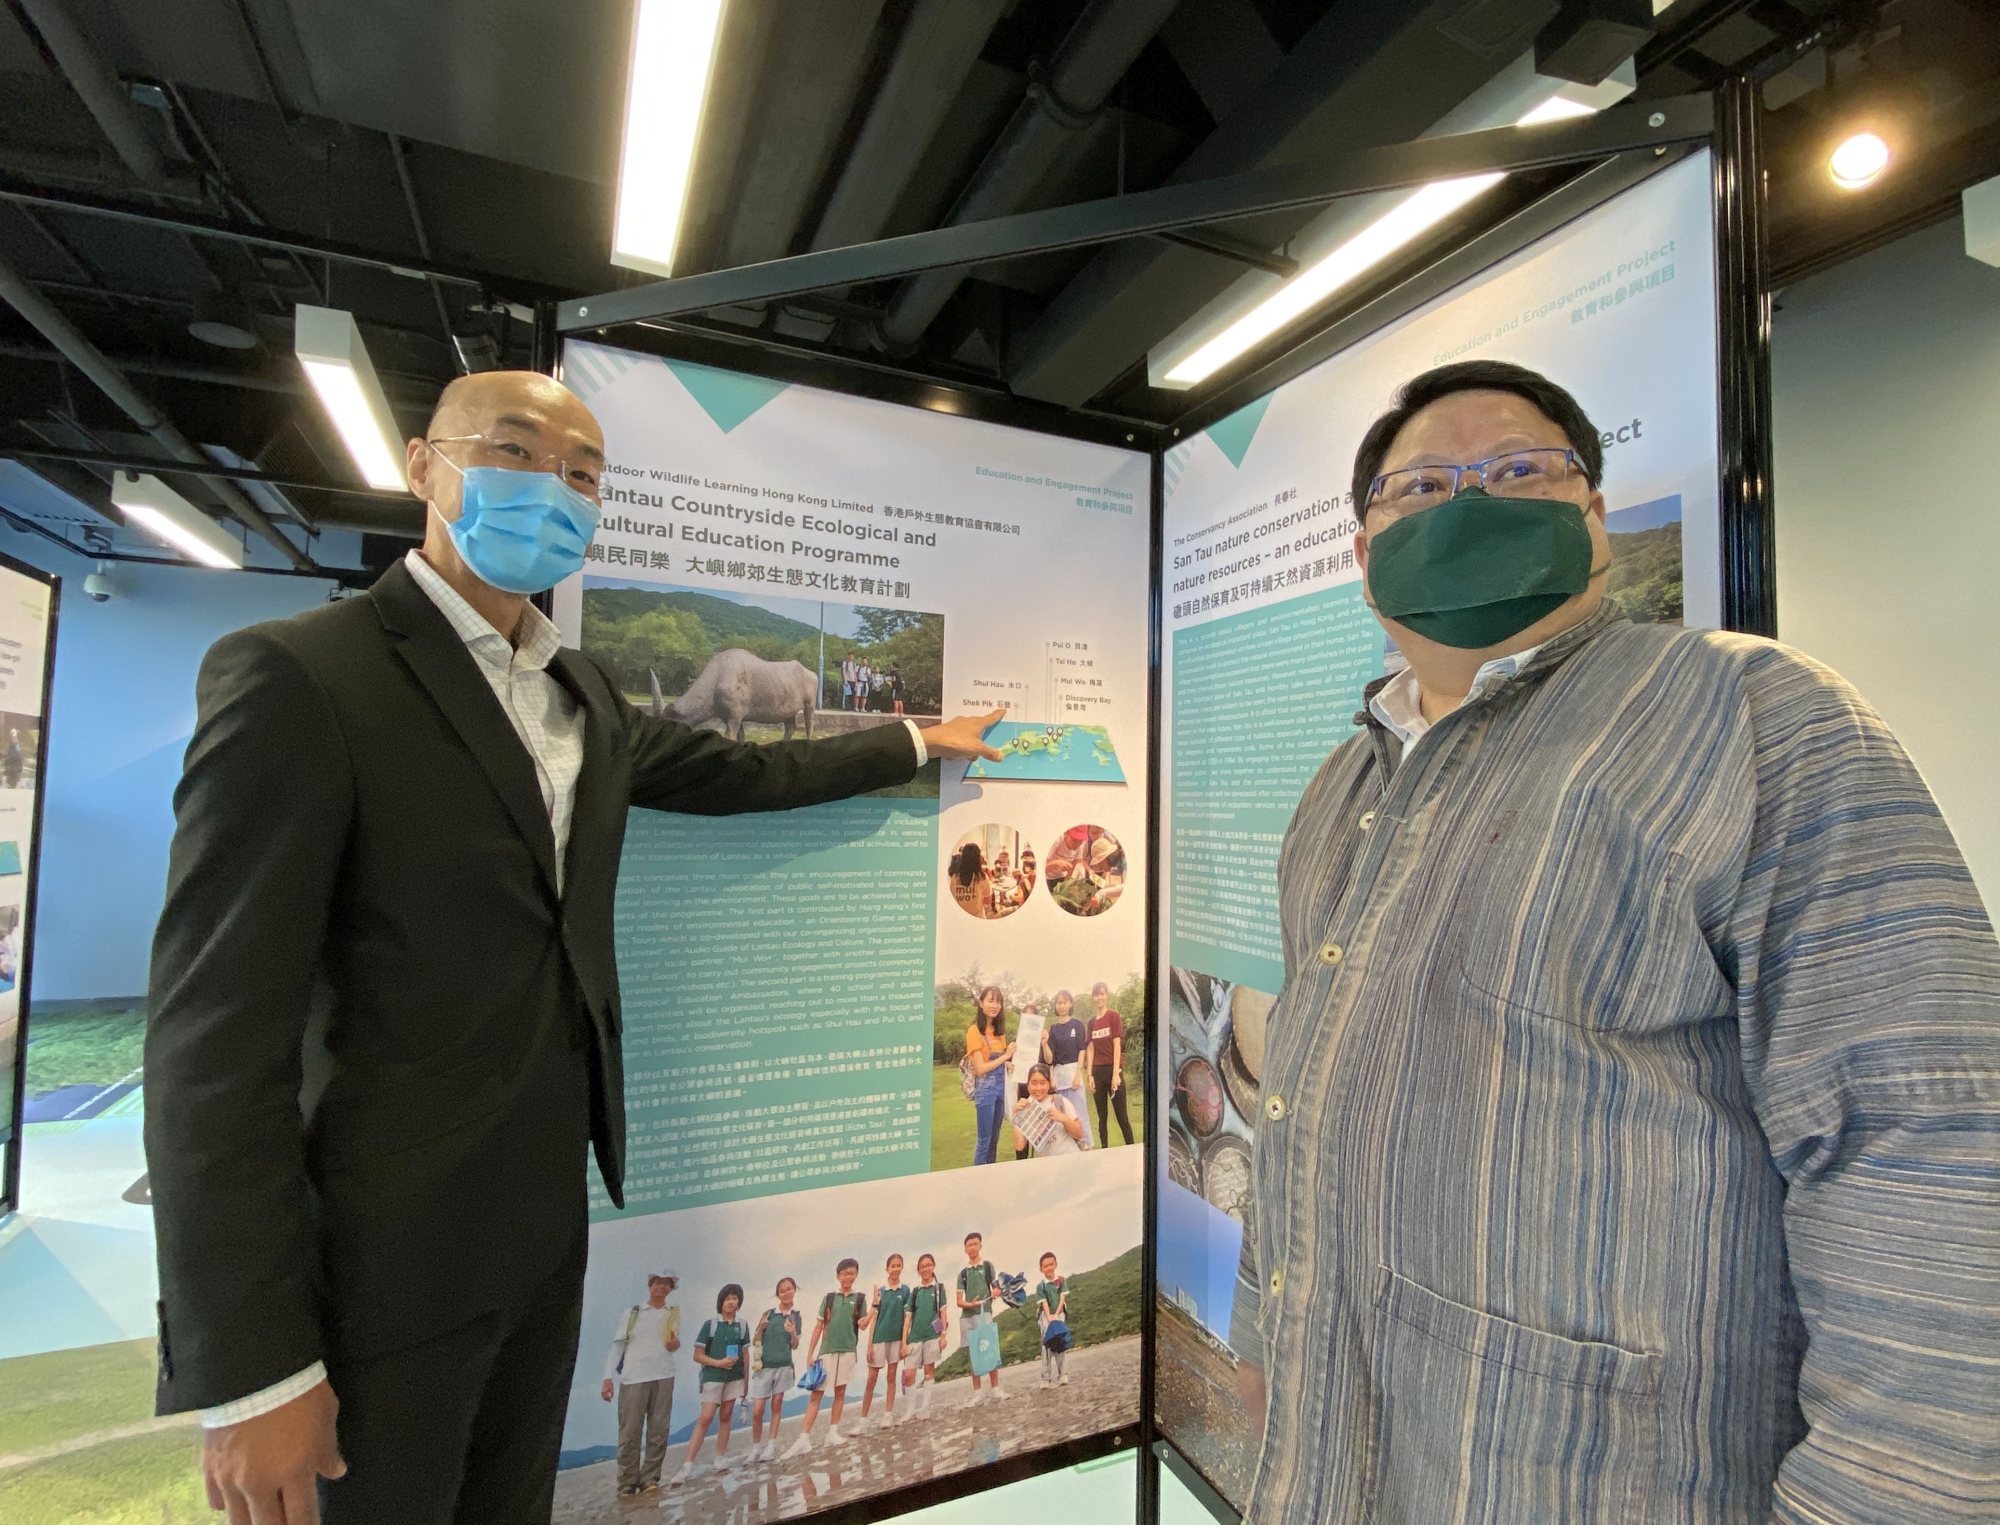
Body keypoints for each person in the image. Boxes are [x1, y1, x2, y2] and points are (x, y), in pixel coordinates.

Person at [143, 368, 1006, 1525]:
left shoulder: (580, 692)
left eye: (582, 474)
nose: (551, 488)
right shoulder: (302, 675)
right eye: (513, 452)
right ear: (425, 467)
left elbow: (742, 770)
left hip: (545, 1230)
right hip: (377, 1257)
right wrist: (253, 1368)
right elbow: (211, 1040)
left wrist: (916, 741)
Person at [1246, 359, 2000, 1524]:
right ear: (1362, 550)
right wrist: (1265, 1346)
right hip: (1337, 1459)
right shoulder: (1340, 785)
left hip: (1602, 1478)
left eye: (1516, 471)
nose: (1467, 504)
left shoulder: (1752, 717)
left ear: (1591, 516)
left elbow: (1919, 1137)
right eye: (1422, 487)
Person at [599, 1271, 681, 1497]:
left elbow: (672, 1341)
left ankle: (650, 1479)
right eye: (658, 1283)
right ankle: (626, 1483)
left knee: (659, 1431)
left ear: (671, 1288)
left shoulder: (672, 1312)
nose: (662, 1287)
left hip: (664, 1375)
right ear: (650, 1285)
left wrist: (675, 1344)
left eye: (667, 1284)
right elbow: (618, 1346)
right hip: (633, 1377)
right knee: (629, 1432)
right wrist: (607, 1378)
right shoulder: (632, 1313)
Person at [783, 1258, 870, 1458]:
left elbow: (863, 1325)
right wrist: (810, 1355)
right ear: (838, 1276)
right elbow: (818, 1327)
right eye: (845, 1273)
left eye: (852, 1273)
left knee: (840, 1393)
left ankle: (832, 1433)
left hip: (848, 1350)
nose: (848, 1277)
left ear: (856, 1275)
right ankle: (804, 1438)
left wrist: (874, 1308)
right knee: (816, 1395)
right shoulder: (829, 1298)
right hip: (827, 1351)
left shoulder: (860, 1299)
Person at [669, 1285, 748, 1486]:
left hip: (735, 1377)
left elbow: (745, 1356)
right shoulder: (710, 1325)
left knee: (726, 1415)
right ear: (721, 1302)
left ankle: (719, 1459)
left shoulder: (743, 1325)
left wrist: (746, 1384)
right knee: (706, 1417)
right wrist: (719, 1363)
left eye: (735, 1298)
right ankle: (687, 1466)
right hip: (712, 1376)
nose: (731, 1302)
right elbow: (697, 1355)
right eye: (728, 1298)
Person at [746, 1277, 801, 1464]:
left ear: (794, 1290)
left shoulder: (796, 1316)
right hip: (764, 1366)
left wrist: (792, 1332)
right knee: (757, 1410)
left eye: (789, 1289)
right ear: (777, 1294)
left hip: (784, 1365)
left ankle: (770, 1446)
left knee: (777, 1404)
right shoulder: (768, 1314)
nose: (786, 1293)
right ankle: (755, 1448)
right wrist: (760, 1328)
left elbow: (795, 1345)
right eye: (782, 1290)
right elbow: (755, 1341)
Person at [855, 1254, 910, 1432]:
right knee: (871, 1380)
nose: (895, 1269)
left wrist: (904, 1342)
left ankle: (888, 1414)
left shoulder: (905, 1291)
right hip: (879, 1338)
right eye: (892, 1266)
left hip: (896, 1339)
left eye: (898, 1265)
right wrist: (869, 1345)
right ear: (887, 1269)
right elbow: (873, 1319)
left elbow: (906, 1318)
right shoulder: (880, 1292)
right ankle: (863, 1420)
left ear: (902, 1267)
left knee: (891, 1376)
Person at [955, 1232, 1009, 1407]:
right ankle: (977, 1393)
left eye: (975, 1244)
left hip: (985, 1312)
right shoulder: (962, 1274)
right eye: (969, 1245)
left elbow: (996, 1287)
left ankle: (995, 1389)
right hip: (967, 1317)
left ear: (980, 1246)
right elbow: (959, 1301)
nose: (972, 1247)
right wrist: (970, 1304)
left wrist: (996, 1292)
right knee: (974, 1354)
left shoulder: (987, 1266)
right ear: (965, 1249)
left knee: (990, 1350)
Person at [964, 986, 1014, 1165]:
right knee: (984, 1141)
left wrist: (1007, 1063)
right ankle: (977, 1177)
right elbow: (980, 1069)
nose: (995, 1005)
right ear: (981, 1003)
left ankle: (991, 1175)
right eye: (990, 1001)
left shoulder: (999, 1032)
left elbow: (998, 1061)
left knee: (994, 1140)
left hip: (1001, 1088)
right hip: (985, 1090)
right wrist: (1006, 1057)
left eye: (998, 1001)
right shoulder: (974, 1031)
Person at [1043, 989, 1094, 1149]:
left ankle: (1087, 1146)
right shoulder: (1053, 1029)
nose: (1062, 1006)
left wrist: (1078, 1073)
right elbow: (1050, 1059)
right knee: (1063, 1114)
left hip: (1073, 1075)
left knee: (1080, 1113)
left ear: (1070, 1004)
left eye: (1065, 1002)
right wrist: (1051, 1076)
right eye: (1059, 1003)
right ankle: (1071, 1148)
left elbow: (1082, 1049)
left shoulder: (1077, 1025)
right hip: (1059, 1077)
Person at [899, 1254, 947, 1419]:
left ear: (933, 1266)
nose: (925, 1269)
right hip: (914, 1337)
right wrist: (904, 1342)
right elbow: (908, 1318)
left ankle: (925, 1408)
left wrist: (943, 1336)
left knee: (928, 1371)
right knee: (909, 1374)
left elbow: (942, 1313)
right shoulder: (915, 1292)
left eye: (928, 1265)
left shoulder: (939, 1289)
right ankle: (910, 1409)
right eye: (922, 1266)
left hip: (932, 1336)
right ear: (918, 1270)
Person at [1085, 981, 1132, 1146]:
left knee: (1122, 1116)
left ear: (1107, 995)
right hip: (1097, 1072)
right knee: (1102, 1116)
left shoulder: (1113, 1016)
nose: (1099, 998)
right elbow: (1090, 1050)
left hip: (1113, 1070)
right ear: (1093, 997)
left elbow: (1117, 1045)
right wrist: (1089, 1075)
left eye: (1102, 994)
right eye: (1096, 995)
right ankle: (1104, 1149)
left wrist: (1115, 1074)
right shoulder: (1091, 1022)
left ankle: (1131, 1148)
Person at [1012, 1063, 1085, 1157]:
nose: (1038, 1088)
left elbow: (1079, 1134)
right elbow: (1019, 1146)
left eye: (1043, 1083)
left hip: (1068, 1157)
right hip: (1044, 1162)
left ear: (1049, 1083)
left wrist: (1064, 1119)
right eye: (1034, 1083)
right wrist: (1017, 1117)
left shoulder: (1060, 1101)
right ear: (1028, 1085)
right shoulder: (1026, 1107)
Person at [1033, 1254, 1069, 1390]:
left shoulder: (1061, 1281)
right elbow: (1044, 1304)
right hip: (1045, 1316)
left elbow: (1062, 1299)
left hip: (1060, 1315)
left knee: (1060, 1344)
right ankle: (1045, 1378)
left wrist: (1057, 1315)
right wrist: (1049, 1317)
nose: (1049, 1268)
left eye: (1051, 1264)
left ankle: (1063, 1375)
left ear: (1056, 1264)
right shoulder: (1041, 1286)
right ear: (1041, 1269)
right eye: (1045, 1266)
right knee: (1047, 1346)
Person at [951, 841, 998, 920]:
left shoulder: (954, 877)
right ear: (978, 858)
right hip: (977, 917)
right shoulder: (982, 877)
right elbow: (987, 901)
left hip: (959, 918)